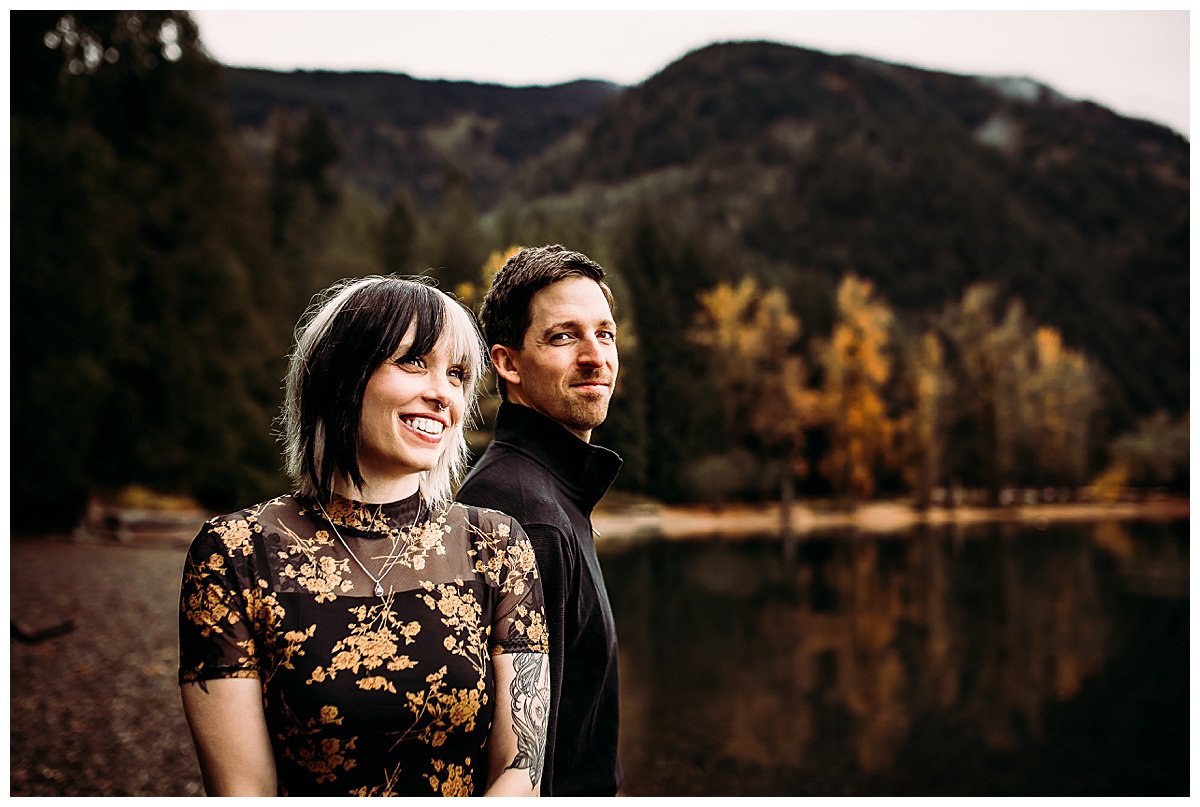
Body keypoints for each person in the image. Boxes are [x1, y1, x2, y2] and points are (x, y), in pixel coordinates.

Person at [178, 276, 550, 797]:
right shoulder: (235, 555)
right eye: (414, 362)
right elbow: (244, 791)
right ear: (340, 374)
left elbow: (520, 768)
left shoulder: (496, 545)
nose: (443, 393)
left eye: (457, 374)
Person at [456, 245, 623, 797]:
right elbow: (523, 761)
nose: (595, 356)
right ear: (507, 363)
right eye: (564, 336)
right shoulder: (525, 513)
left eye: (605, 334)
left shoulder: (551, 493)